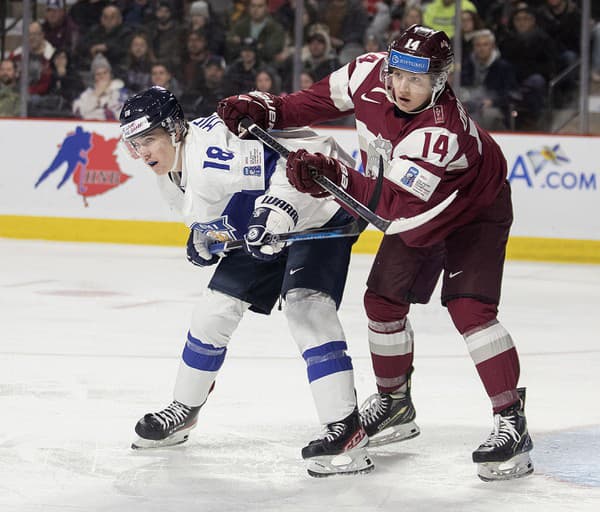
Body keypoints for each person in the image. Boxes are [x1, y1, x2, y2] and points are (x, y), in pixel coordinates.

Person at [217, 24, 534, 482]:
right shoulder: (367, 73)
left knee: (470, 311)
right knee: (382, 302)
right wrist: (263, 108)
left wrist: (334, 174)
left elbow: (395, 207)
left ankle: (511, 420)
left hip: (472, 211)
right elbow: (307, 103)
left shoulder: (439, 131)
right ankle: (394, 404)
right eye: (398, 74)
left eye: (417, 80)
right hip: (409, 204)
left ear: (439, 82)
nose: (402, 88)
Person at [118, 86, 374, 478]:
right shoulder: (170, 171)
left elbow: (290, 167)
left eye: (149, 139)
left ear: (174, 129)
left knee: (308, 310)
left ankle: (346, 428)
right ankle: (184, 409)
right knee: (213, 311)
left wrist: (274, 217)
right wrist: (207, 239)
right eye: (135, 144)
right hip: (266, 220)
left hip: (321, 203)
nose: (143, 152)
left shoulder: (211, 156)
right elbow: (228, 208)